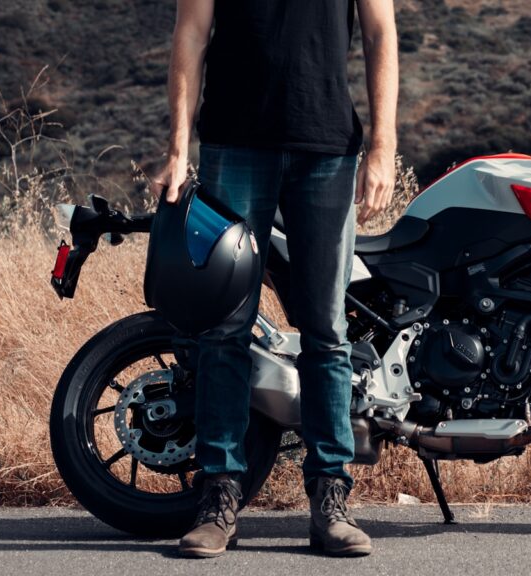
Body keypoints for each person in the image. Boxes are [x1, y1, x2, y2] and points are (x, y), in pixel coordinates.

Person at [149, 0, 398, 559]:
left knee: (327, 332)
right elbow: (191, 34)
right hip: (232, 148)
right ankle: (218, 497)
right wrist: (177, 147)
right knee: (223, 329)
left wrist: (382, 145)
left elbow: (381, 34)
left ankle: (330, 500)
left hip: (328, 150)